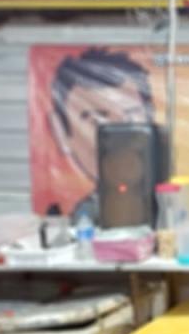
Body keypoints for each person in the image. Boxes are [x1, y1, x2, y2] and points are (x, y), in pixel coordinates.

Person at [47, 47, 154, 218]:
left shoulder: (164, 208)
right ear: (61, 132)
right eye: (96, 121)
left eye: (130, 116)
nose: (117, 138)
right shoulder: (82, 217)